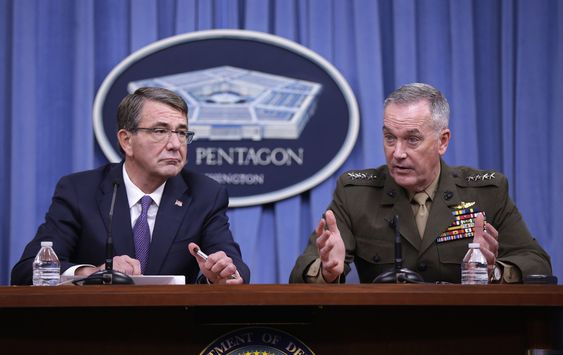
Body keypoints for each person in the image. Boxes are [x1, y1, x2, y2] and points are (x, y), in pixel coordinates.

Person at [289, 82, 551, 284]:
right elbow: (301, 270)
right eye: (390, 138)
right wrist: (326, 270)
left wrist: (493, 272)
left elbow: (537, 263)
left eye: (412, 140)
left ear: (443, 141)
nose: (398, 152)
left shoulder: (485, 193)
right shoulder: (355, 194)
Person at [11, 87, 250, 285]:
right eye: (160, 131)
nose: (175, 144)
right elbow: (26, 271)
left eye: (182, 133)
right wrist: (92, 273)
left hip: (176, 331)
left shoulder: (205, 194)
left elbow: (235, 266)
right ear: (126, 141)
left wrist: (222, 274)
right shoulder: (79, 190)